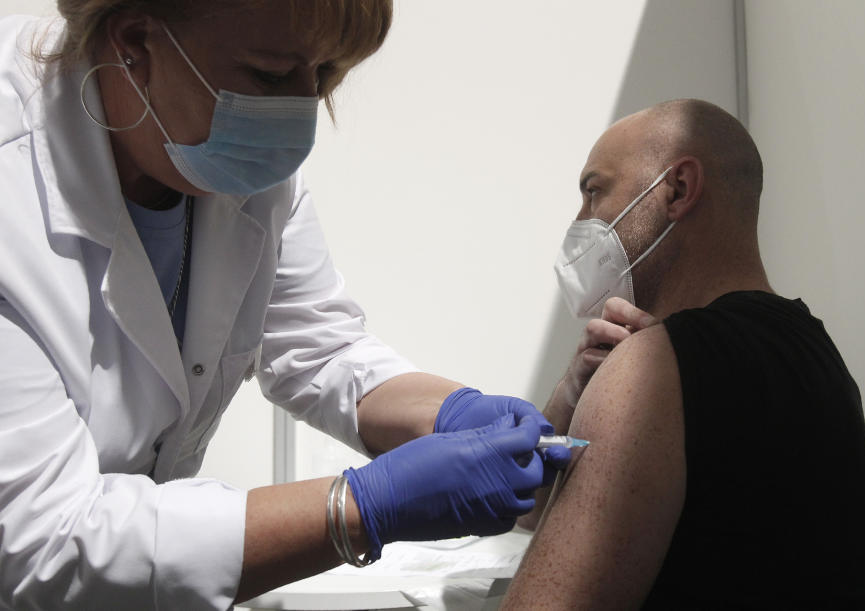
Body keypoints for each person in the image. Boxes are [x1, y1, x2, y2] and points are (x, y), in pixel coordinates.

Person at [0, 2, 568, 609]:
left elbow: (318, 346)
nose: (300, 111)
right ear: (136, 38)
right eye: (271, 76)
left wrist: (455, 413)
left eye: (322, 75)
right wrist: (361, 509)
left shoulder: (215, 147)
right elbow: (44, 540)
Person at [503, 99, 865, 609]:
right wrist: (570, 393)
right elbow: (529, 511)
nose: (580, 220)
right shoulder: (813, 352)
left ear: (678, 189)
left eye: (594, 191)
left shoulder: (649, 370)